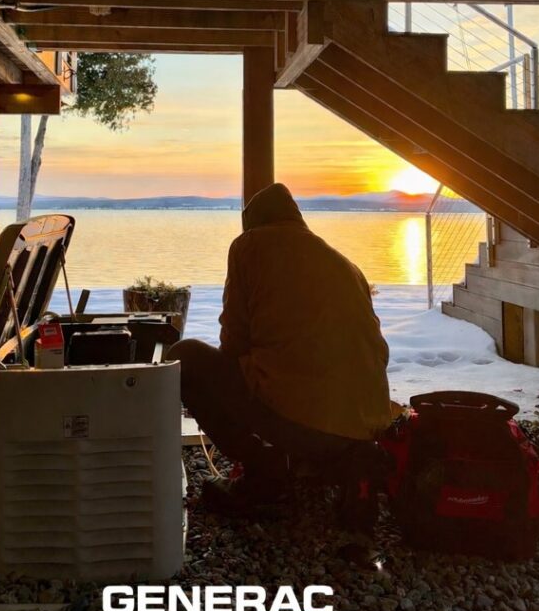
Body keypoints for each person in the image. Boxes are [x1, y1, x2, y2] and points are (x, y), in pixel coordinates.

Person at [168, 182, 395, 530]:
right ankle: (343, 462)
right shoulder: (346, 264)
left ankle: (265, 472)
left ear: (250, 222)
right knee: (297, 385)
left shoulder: (249, 246)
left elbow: (233, 344)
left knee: (185, 357)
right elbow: (377, 350)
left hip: (305, 422)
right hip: (368, 421)